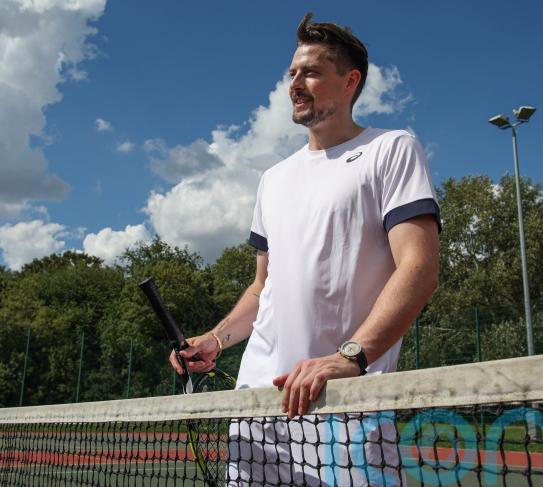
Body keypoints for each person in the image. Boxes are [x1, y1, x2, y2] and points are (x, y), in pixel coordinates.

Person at [170, 13, 440, 485]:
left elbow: (419, 267)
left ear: (350, 82)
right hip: (258, 408)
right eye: (292, 72)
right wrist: (215, 339)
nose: (295, 82)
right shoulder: (273, 179)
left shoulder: (391, 149)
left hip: (346, 405)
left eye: (311, 72)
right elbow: (263, 287)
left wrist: (349, 357)